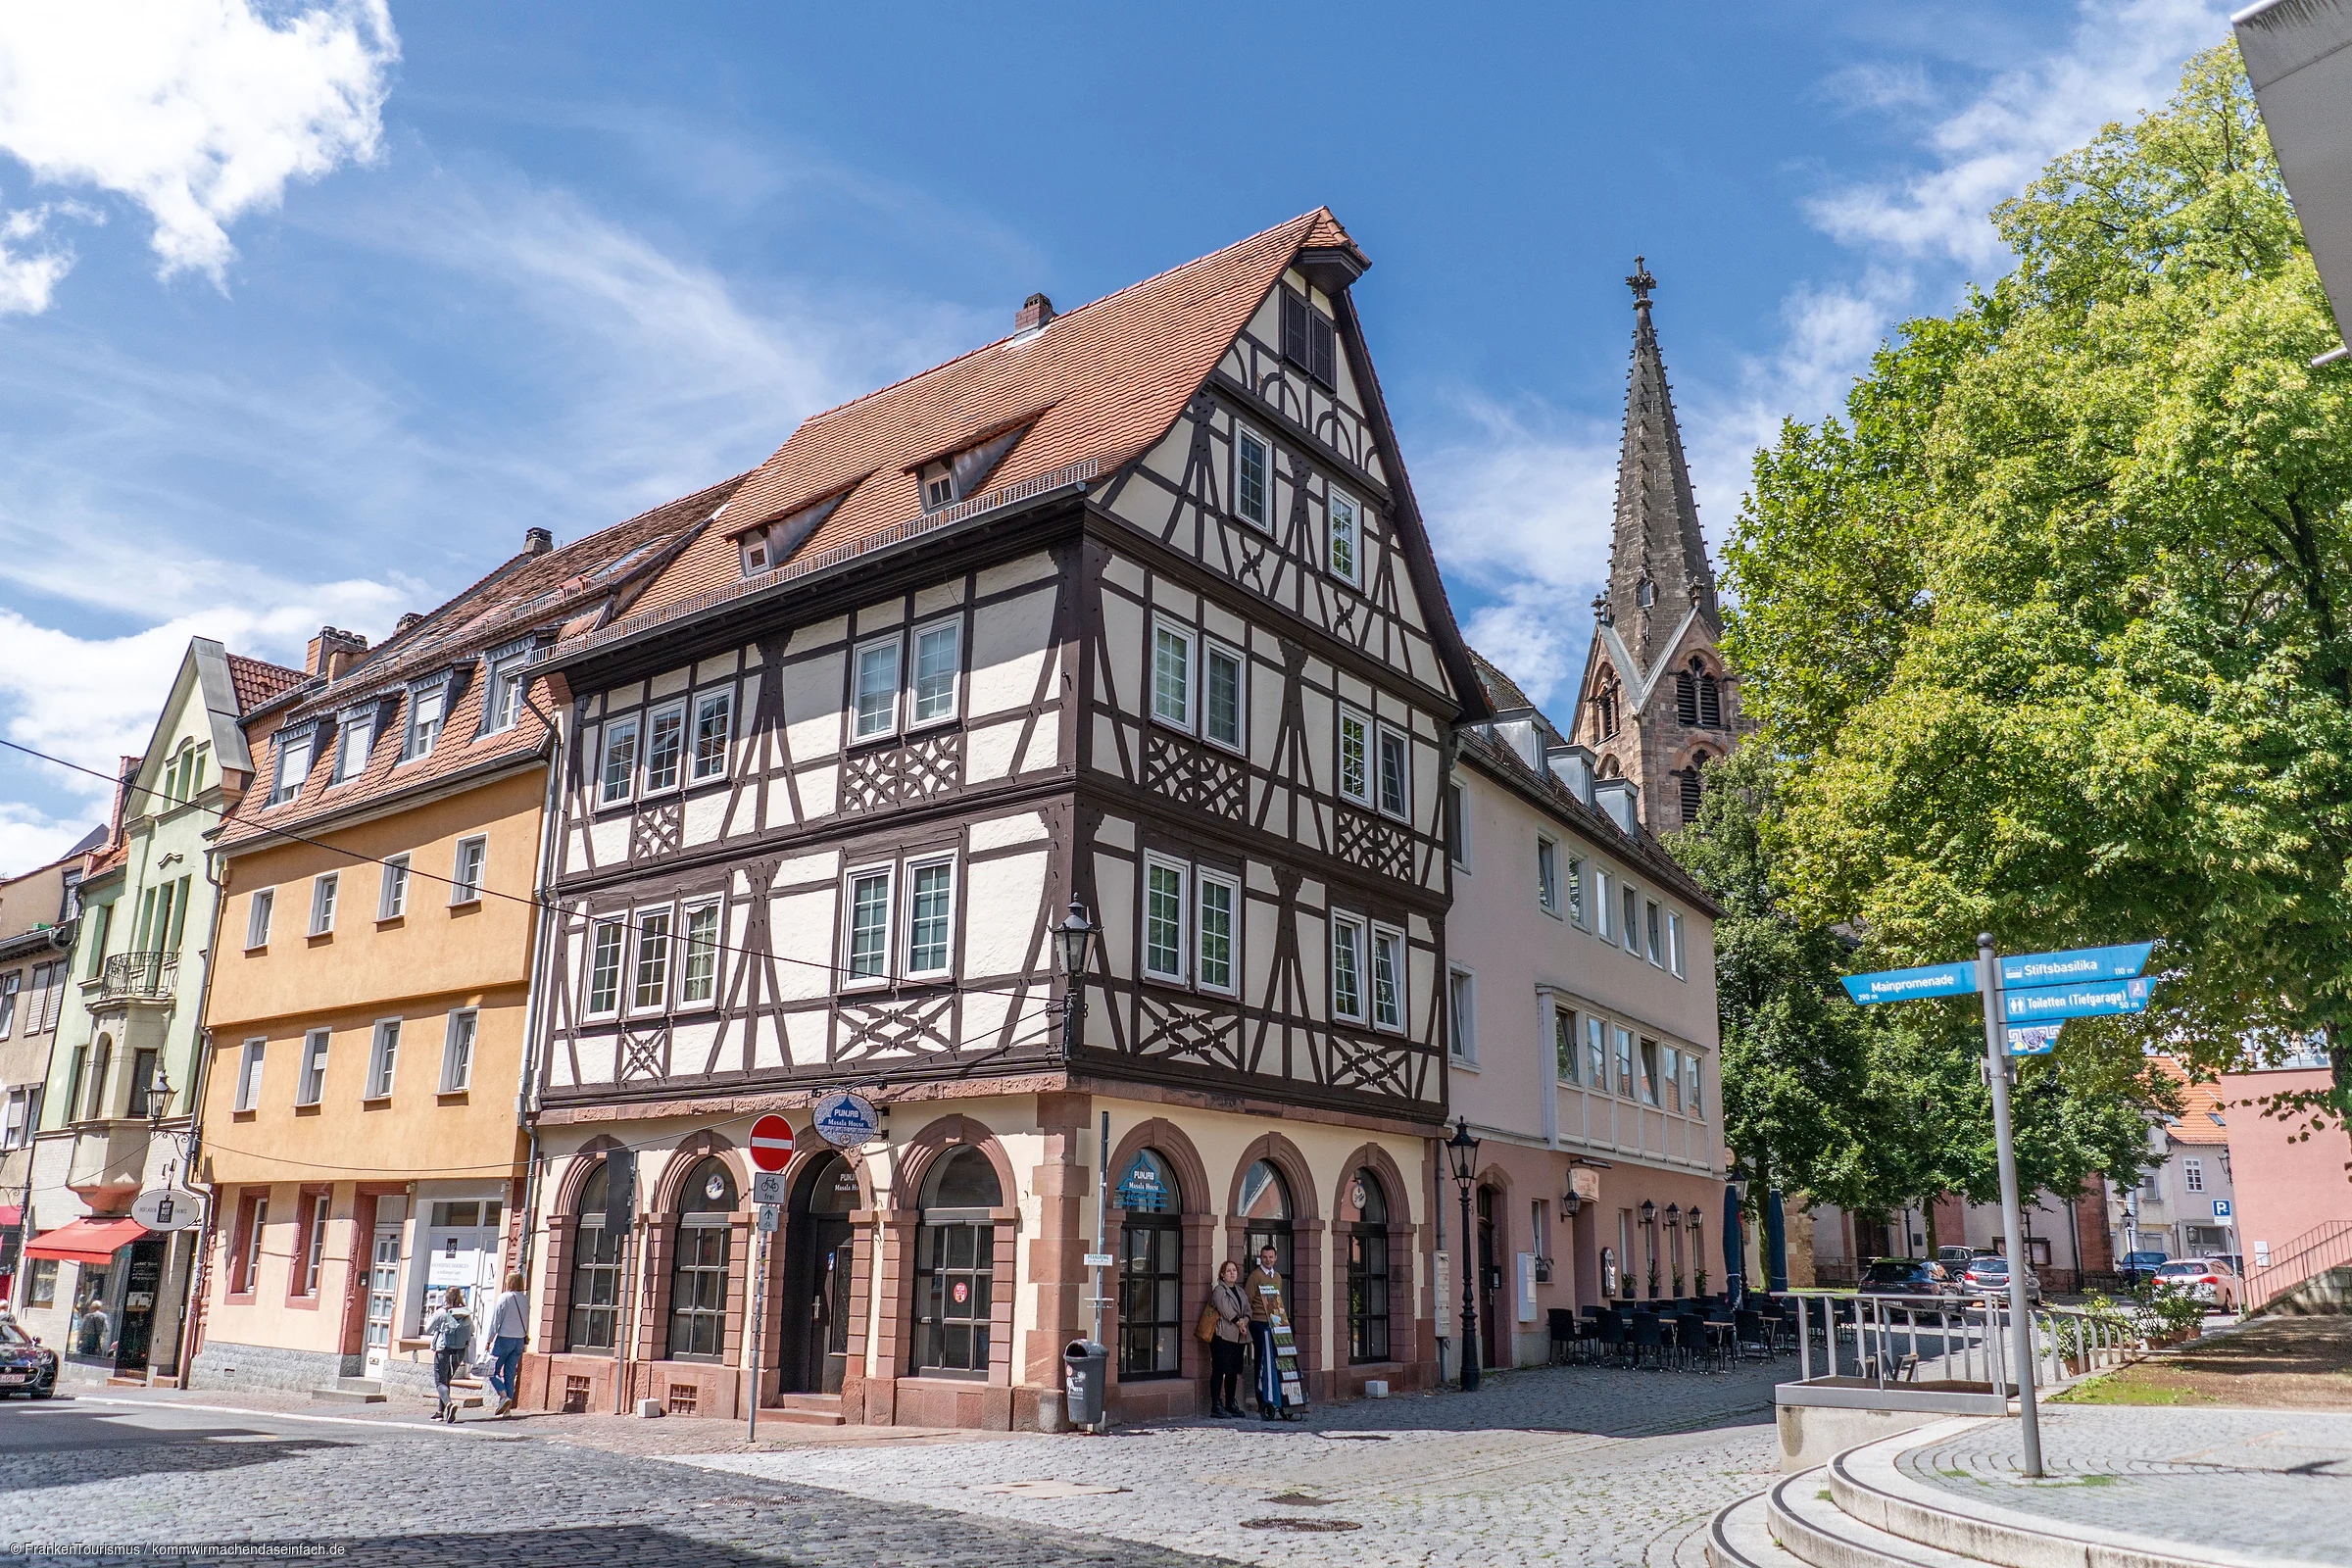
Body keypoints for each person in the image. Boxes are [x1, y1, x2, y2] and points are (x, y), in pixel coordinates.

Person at [1244, 1244, 1287, 1420]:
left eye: (1271, 1257)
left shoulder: (1277, 1277)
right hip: (1259, 1323)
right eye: (1265, 1257)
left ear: (1275, 1258)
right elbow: (1247, 1299)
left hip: (1275, 1323)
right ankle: (1262, 1399)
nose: (1268, 1260)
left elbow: (1276, 1301)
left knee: (1276, 1360)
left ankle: (1276, 1397)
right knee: (1261, 1360)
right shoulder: (1255, 1276)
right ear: (1260, 1258)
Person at [479, 1270, 530, 1416]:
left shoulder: (504, 1298)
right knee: (509, 1373)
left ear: (509, 1282)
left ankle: (503, 1396)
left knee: (492, 1370)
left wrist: (488, 1340)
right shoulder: (525, 1299)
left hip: (504, 1339)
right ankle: (507, 1410)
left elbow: (496, 1321)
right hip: (519, 1340)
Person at [421, 1286, 474, 1423]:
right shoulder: (465, 1313)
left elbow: (427, 1329)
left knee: (440, 1381)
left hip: (443, 1348)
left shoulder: (441, 1312)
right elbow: (472, 1330)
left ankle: (449, 1404)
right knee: (447, 1380)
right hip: (459, 1351)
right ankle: (440, 1412)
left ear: (446, 1297)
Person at [1207, 1259, 1250, 1418]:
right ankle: (1216, 1405)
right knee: (1219, 1370)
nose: (1232, 1273)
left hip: (1239, 1336)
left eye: (1234, 1270)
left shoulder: (1240, 1291)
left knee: (1233, 1371)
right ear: (1222, 1275)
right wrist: (1239, 1322)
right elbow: (1225, 1309)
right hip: (1222, 1336)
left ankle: (1230, 1403)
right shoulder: (1219, 1290)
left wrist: (1245, 1321)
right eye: (1228, 1271)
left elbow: (1248, 1309)